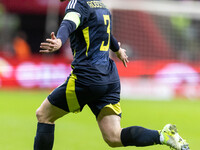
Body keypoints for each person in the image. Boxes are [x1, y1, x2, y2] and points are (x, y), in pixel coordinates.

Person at [34, 0, 190, 150]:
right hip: (109, 78)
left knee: (44, 115)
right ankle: (163, 136)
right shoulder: (100, 5)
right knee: (114, 136)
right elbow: (105, 33)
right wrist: (118, 50)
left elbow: (70, 22)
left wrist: (60, 40)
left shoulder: (77, 3)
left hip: (87, 77)